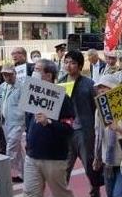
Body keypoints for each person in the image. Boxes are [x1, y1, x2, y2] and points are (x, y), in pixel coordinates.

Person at [23, 59, 75, 197]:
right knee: (30, 193)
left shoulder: (62, 98)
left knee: (60, 194)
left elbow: (68, 128)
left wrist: (49, 122)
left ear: (48, 75)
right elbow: (28, 121)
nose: (34, 72)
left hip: (54, 158)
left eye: (38, 69)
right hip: (32, 156)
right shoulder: (31, 93)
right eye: (34, 69)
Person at [60, 50, 103, 197]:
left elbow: (97, 108)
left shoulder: (89, 84)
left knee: (89, 164)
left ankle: (95, 191)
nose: (68, 66)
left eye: (72, 63)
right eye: (66, 62)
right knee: (64, 166)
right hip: (66, 131)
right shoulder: (61, 83)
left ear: (79, 66)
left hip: (85, 131)